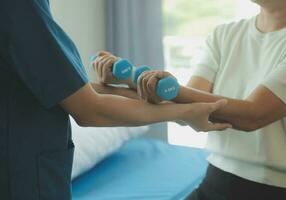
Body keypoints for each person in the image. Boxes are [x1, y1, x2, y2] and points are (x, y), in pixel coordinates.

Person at [0, 0, 233, 200]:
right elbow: (90, 110)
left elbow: (66, 92)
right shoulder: (20, 7)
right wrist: (183, 114)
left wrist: (121, 90)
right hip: (22, 176)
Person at [95, 0, 286, 199]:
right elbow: (184, 110)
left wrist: (166, 87)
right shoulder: (224, 35)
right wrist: (125, 82)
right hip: (216, 181)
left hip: (282, 191)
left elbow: (252, 116)